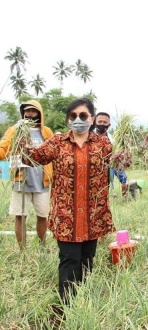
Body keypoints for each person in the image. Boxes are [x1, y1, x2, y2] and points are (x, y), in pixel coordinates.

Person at [24, 98, 115, 304]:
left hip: (93, 213)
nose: (78, 120)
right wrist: (24, 146)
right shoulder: (57, 143)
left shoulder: (103, 144)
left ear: (92, 118)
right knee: (69, 260)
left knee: (87, 259)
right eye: (73, 116)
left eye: (83, 116)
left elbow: (120, 161)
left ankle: (84, 301)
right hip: (67, 214)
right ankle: (67, 305)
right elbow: (34, 158)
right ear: (68, 120)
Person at [0, 100, 53, 247]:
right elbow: (3, 149)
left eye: (33, 111)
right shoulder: (15, 129)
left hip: (42, 181)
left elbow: (53, 152)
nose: (29, 114)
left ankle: (42, 245)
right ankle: (22, 249)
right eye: (27, 111)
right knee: (20, 216)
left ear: (39, 113)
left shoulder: (46, 132)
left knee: (43, 215)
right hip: (21, 180)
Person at [94, 112, 128, 196]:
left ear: (109, 125)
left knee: (103, 196)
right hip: (91, 172)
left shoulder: (112, 140)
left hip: (105, 174)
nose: (102, 124)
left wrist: (123, 180)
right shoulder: (88, 136)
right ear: (95, 122)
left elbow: (116, 160)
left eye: (105, 122)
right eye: (100, 121)